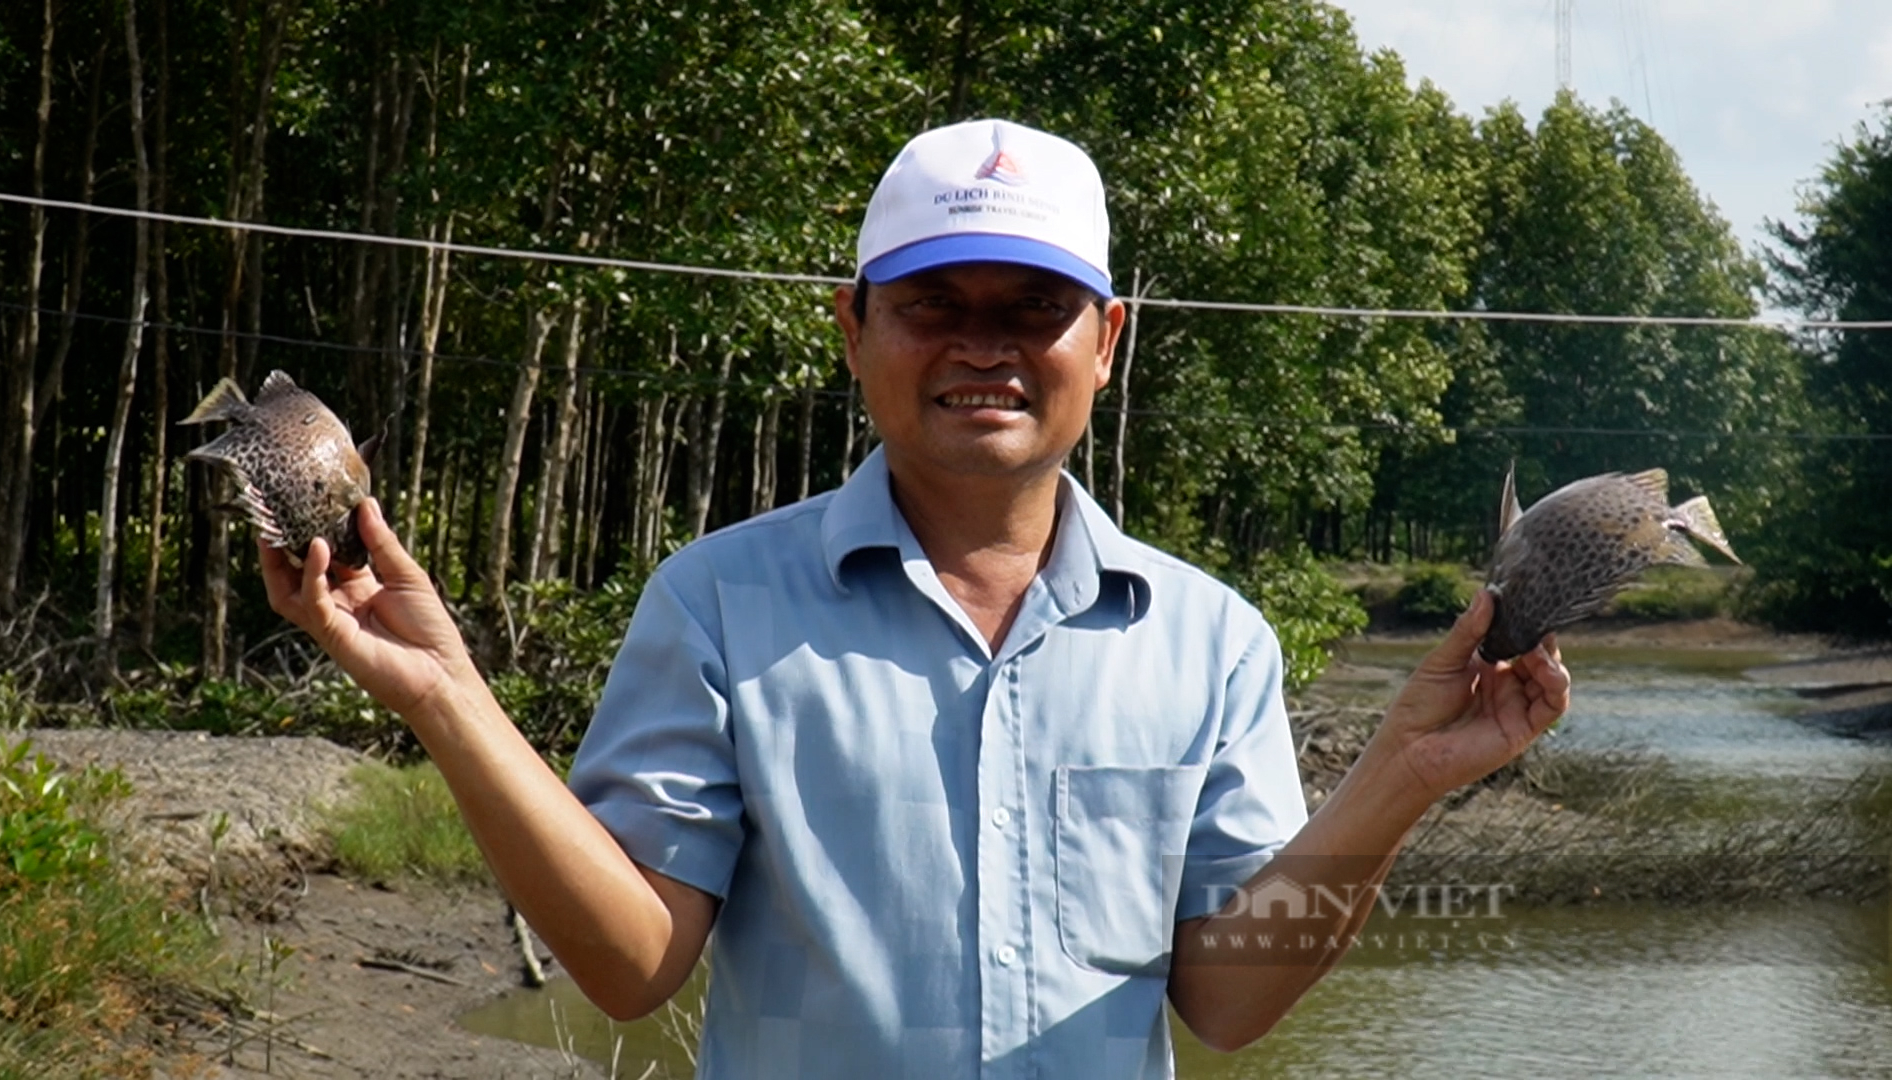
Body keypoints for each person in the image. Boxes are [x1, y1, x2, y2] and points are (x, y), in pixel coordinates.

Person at [262, 118, 1569, 1078]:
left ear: (1107, 340)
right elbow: (629, 965)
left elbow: (1226, 1002)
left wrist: (1398, 776)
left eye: (1035, 306)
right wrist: (448, 699)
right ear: (854, 327)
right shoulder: (718, 604)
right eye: (932, 302)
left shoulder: (1207, 639)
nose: (983, 344)